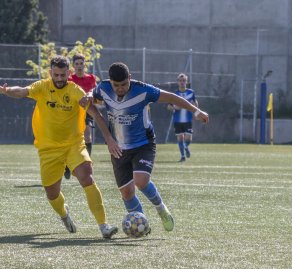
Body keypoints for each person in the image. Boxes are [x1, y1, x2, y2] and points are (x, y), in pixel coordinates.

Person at [0, 55, 119, 239]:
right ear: (50, 73)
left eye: (63, 75)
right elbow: (23, 91)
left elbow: (95, 115)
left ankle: (104, 226)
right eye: (56, 75)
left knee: (87, 177)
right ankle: (64, 214)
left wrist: (109, 139)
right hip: (48, 150)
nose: (59, 79)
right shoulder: (42, 87)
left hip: (74, 145)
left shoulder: (75, 90)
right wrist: (6, 90)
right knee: (52, 193)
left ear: (69, 73)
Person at [91, 62, 209, 234]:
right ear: (110, 82)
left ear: (130, 78)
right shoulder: (103, 88)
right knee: (126, 193)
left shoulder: (143, 90)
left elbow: (171, 97)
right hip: (118, 147)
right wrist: (88, 96)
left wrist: (196, 111)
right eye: (116, 85)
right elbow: (91, 96)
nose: (120, 89)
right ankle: (142, 225)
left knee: (141, 181)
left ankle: (161, 209)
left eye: (124, 84)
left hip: (143, 144)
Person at [63, 53, 97, 179]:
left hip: (87, 111)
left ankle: (86, 163)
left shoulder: (91, 78)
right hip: (72, 112)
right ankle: (67, 165)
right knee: (70, 139)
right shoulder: (69, 79)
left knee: (87, 136)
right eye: (76, 64)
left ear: (84, 64)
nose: (79, 66)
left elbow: (95, 92)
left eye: (81, 63)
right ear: (73, 65)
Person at [167, 73, 198, 162]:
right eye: (180, 81)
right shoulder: (175, 94)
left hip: (188, 119)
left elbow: (195, 102)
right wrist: (174, 107)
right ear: (178, 82)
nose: (182, 82)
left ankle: (185, 147)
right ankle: (182, 156)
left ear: (186, 82)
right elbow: (169, 106)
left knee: (188, 138)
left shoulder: (191, 92)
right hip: (177, 120)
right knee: (180, 138)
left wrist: (196, 111)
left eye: (184, 80)